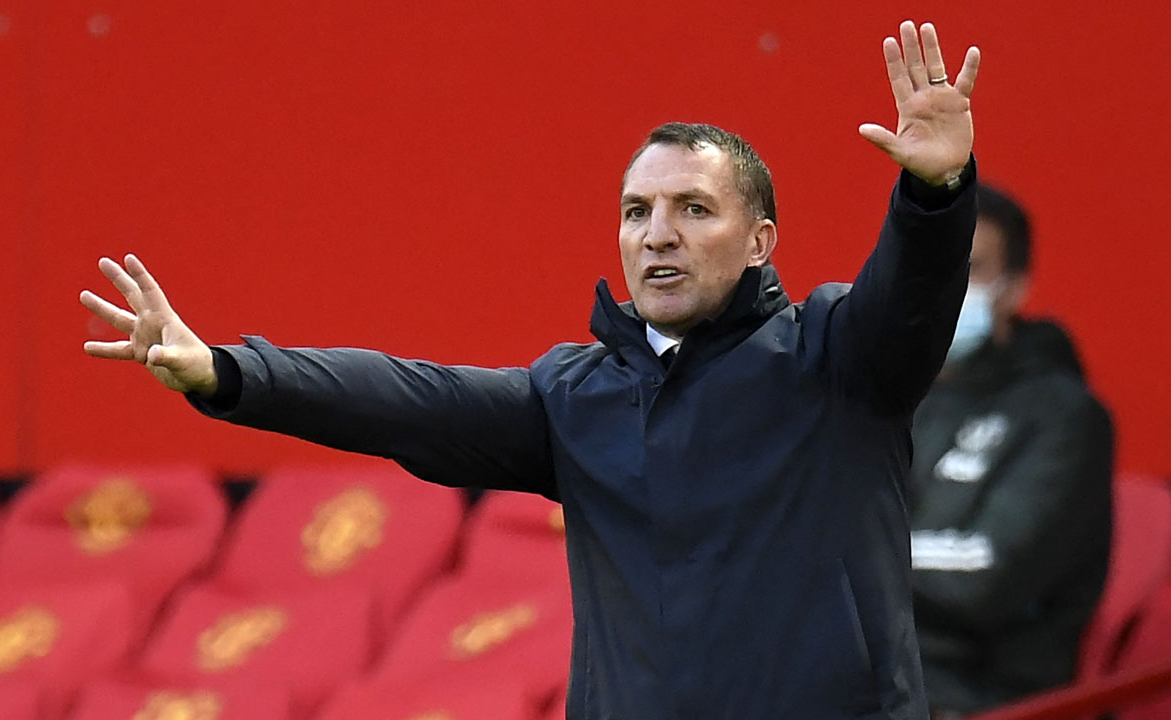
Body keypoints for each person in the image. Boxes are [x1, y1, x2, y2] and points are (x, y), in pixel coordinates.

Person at [82, 21, 980, 719]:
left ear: (759, 242)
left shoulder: (835, 357)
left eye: (693, 209)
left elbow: (910, 297)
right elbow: (408, 400)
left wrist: (934, 195)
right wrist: (226, 372)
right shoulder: (577, 398)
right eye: (637, 211)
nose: (658, 234)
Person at [908, 184, 1114, 718]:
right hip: (879, 674)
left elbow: (984, 577)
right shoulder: (904, 400)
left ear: (1014, 289)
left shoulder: (1067, 418)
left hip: (982, 696)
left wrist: (847, 556)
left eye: (971, 268)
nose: (945, 285)